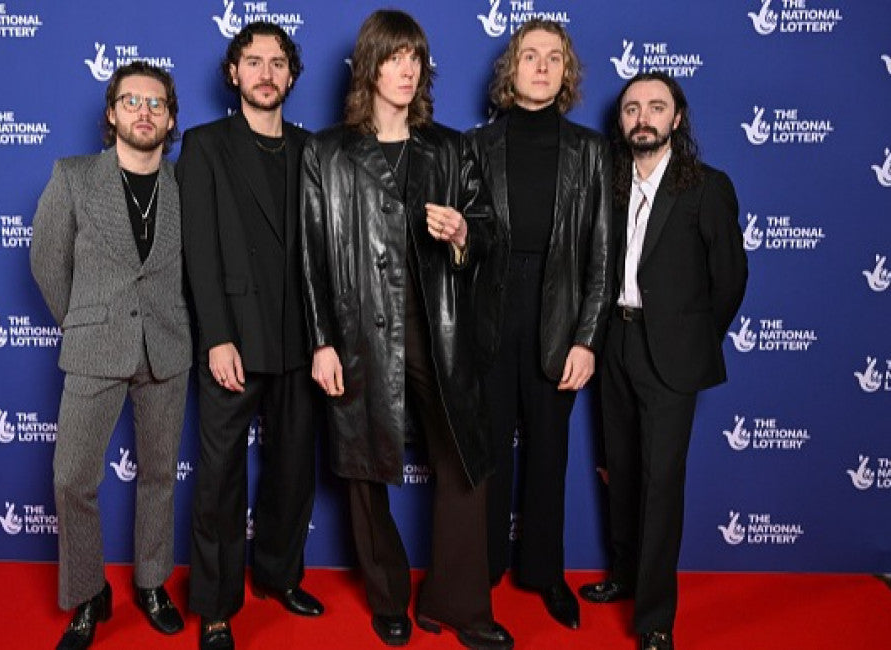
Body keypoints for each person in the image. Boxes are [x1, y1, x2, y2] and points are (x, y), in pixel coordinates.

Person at [300, 9, 512, 650]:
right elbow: (309, 254)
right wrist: (321, 341)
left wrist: (463, 235)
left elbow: (488, 234)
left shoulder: (450, 147)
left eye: (415, 58)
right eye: (394, 57)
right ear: (370, 66)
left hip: (437, 329)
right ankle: (389, 596)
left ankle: (459, 603)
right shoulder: (327, 151)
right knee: (363, 470)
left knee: (466, 465)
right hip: (358, 331)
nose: (407, 69)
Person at [578, 72, 747, 650]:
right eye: (631, 108)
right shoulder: (608, 183)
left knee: (660, 484)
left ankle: (653, 619)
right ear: (621, 120)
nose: (642, 117)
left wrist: (690, 337)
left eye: (656, 107)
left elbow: (730, 281)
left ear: (677, 119)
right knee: (620, 472)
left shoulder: (706, 187)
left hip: (671, 355)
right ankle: (624, 576)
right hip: (615, 343)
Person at [30, 61, 190, 650]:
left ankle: (151, 582)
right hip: (94, 347)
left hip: (167, 349)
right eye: (132, 101)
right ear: (112, 113)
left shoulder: (184, 184)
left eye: (155, 103)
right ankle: (87, 594)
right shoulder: (72, 177)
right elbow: (47, 262)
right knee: (73, 479)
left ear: (170, 117)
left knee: (158, 476)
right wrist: (81, 321)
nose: (143, 112)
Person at [176, 22, 322, 650]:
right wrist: (216, 336)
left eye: (277, 62)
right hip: (234, 337)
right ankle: (214, 605)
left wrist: (326, 339)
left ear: (291, 76)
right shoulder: (205, 144)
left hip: (303, 338)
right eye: (253, 62)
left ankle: (280, 575)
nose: (266, 73)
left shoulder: (313, 149)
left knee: (293, 468)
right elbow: (199, 253)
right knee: (219, 479)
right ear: (233, 74)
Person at [466, 19, 612, 630]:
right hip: (492, 313)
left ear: (566, 72)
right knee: (489, 451)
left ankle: (545, 574)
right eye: (531, 56)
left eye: (555, 58)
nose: (543, 67)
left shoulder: (590, 150)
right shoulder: (476, 145)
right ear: (512, 69)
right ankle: (484, 566)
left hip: (558, 309)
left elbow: (602, 253)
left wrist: (587, 338)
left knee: (550, 453)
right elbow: (463, 242)